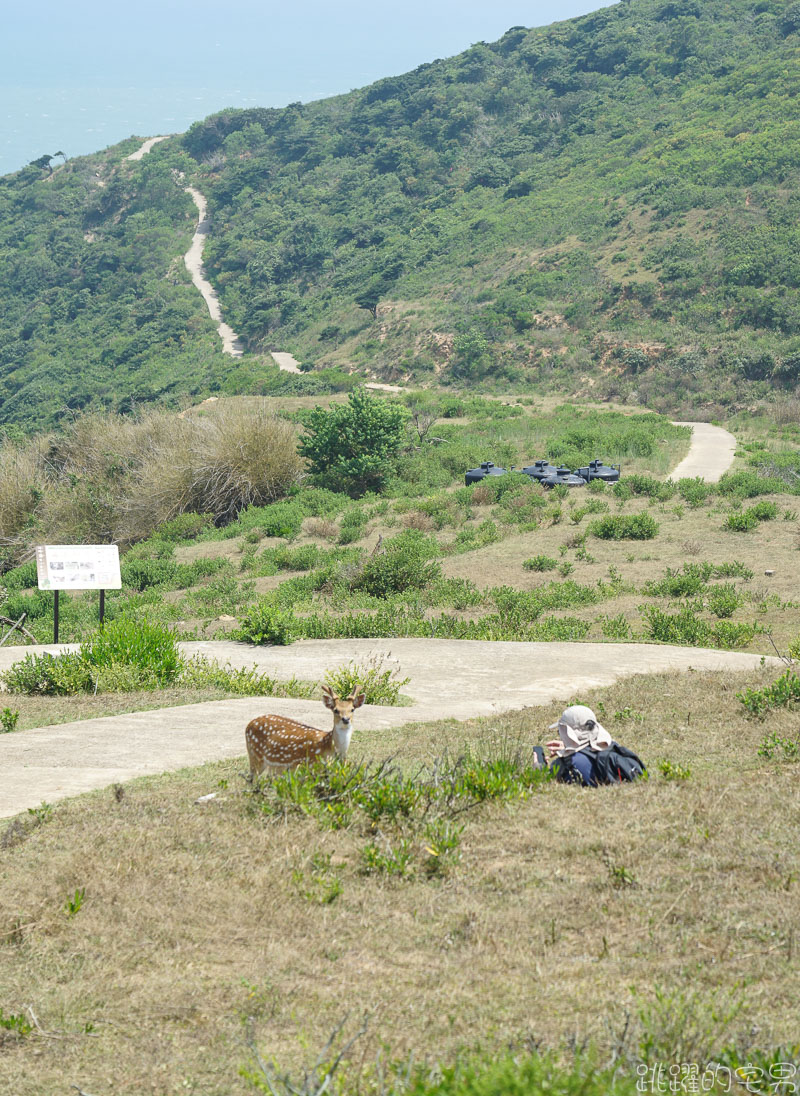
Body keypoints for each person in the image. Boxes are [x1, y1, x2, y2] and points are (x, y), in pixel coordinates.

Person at [544, 704, 613, 786]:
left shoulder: (566, 763)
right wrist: (569, 748)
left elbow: (545, 784)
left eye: (560, 731)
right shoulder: (613, 747)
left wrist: (539, 767)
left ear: (569, 733)